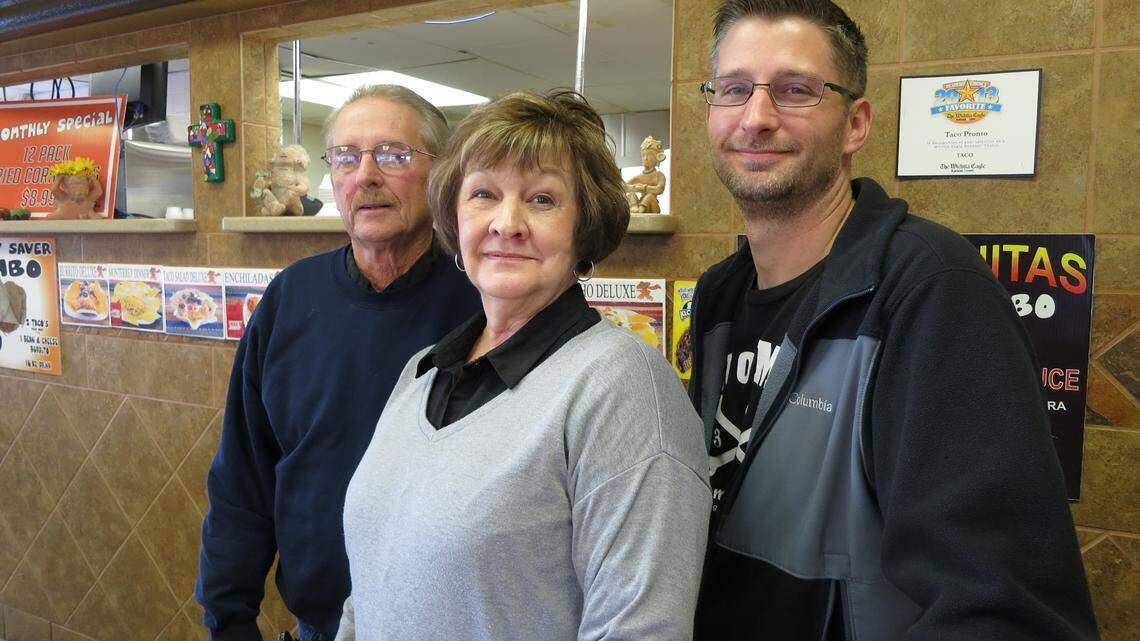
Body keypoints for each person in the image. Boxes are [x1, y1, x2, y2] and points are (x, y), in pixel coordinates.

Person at [689, 1, 1099, 640]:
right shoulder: (719, 298)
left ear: (855, 124)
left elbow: (1005, 613)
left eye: (796, 91)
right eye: (734, 89)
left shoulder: (932, 291)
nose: (757, 116)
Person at [334, 90, 711, 641]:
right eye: (483, 194)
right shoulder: (422, 373)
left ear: (584, 229)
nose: (506, 223)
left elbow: (639, 628)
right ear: (454, 219)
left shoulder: (621, 387)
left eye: (541, 200)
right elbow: (367, 590)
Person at [196, 85, 481, 641]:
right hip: (318, 625)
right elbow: (242, 480)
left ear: (441, 174)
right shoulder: (291, 299)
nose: (366, 175)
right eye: (347, 157)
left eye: (394, 155)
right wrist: (228, 620)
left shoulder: (483, 303)